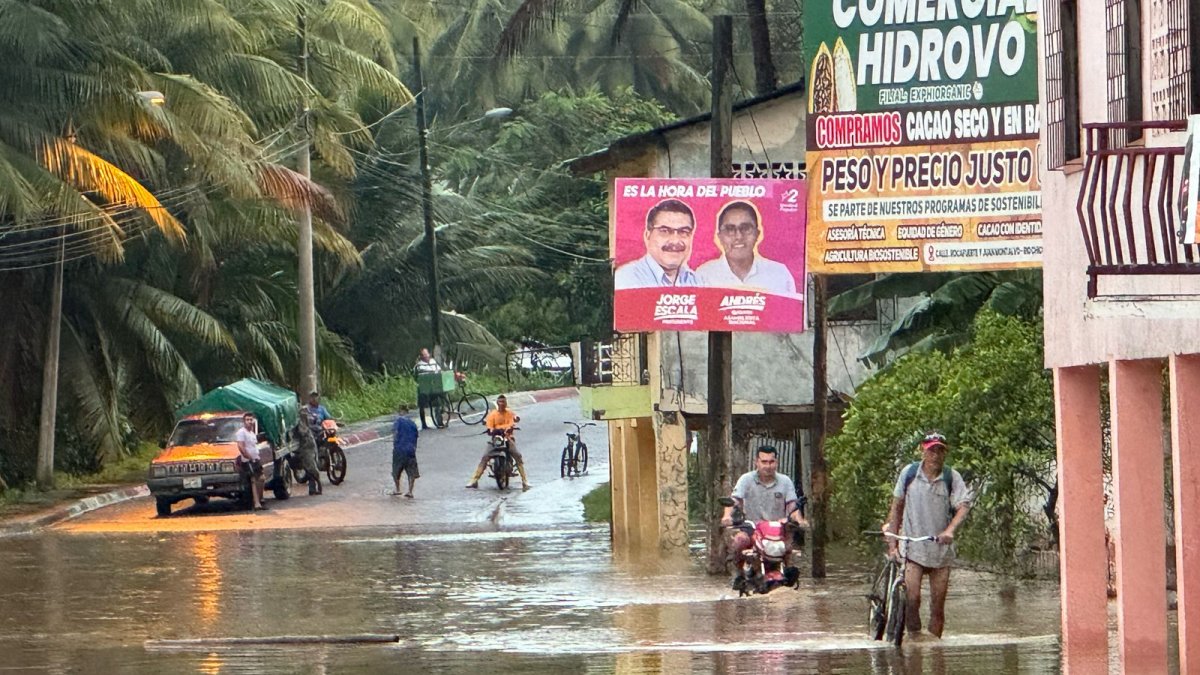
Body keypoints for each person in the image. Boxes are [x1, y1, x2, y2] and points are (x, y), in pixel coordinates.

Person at [884, 431, 972, 640]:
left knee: (938, 606)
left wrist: (949, 530)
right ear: (923, 451)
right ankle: (915, 643)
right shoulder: (909, 474)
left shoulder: (952, 477)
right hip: (913, 548)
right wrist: (892, 543)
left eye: (940, 450)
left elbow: (963, 507)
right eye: (932, 450)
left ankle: (935, 651)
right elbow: (897, 507)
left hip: (940, 551)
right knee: (912, 599)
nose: (935, 455)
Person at [721, 446, 808, 579]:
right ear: (757, 462)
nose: (768, 466)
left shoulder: (785, 482)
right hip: (753, 528)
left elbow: (792, 506)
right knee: (739, 541)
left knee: (791, 552)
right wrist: (727, 516)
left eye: (771, 462)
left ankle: (789, 577)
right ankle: (738, 573)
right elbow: (735, 500)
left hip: (779, 530)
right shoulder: (746, 479)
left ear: (776, 462)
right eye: (764, 462)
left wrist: (800, 521)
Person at [695, 201, 798, 296]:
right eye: (730, 229)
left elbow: (790, 314)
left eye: (746, 228)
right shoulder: (704, 275)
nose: (739, 236)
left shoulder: (779, 274)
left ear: (757, 234)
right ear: (720, 237)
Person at [613, 198, 698, 288]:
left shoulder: (697, 282)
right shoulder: (626, 280)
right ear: (648, 236)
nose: (675, 240)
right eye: (664, 231)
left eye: (683, 232)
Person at [465, 394, 529, 491]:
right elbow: (489, 425)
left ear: (506, 403)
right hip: (496, 439)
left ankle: (525, 481)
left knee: (517, 456)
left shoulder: (510, 413)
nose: (502, 404)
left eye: (503, 402)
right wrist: (491, 430)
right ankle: (474, 480)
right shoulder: (492, 414)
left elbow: (513, 421)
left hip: (507, 438)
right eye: (500, 402)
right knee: (485, 457)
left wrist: (509, 428)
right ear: (497, 403)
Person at [235, 412, 266, 510]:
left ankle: (260, 499)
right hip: (248, 461)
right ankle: (257, 503)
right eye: (247, 420)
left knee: (261, 478)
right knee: (253, 480)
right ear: (244, 422)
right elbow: (240, 446)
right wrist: (248, 457)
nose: (249, 422)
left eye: (251, 420)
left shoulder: (252, 433)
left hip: (256, 459)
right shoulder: (241, 432)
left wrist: (255, 457)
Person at [392, 405, 420, 498]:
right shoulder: (412, 423)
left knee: (396, 470)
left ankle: (398, 489)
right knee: (411, 471)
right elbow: (416, 436)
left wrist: (395, 443)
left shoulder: (398, 421)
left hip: (400, 449)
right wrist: (414, 447)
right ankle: (410, 491)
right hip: (410, 450)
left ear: (401, 411)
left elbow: (395, 434)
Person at [292, 411, 322, 496]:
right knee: (311, 467)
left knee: (311, 467)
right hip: (306, 447)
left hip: (309, 446)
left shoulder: (304, 422)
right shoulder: (298, 423)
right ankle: (314, 487)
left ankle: (314, 488)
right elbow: (302, 432)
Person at [412, 348, 442, 430]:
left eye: (426, 354)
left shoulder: (434, 362)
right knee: (422, 405)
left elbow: (439, 372)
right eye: (423, 355)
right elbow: (415, 377)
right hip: (423, 388)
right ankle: (424, 424)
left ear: (429, 354)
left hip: (434, 387)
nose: (425, 356)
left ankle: (440, 421)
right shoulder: (418, 365)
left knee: (438, 403)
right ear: (421, 356)